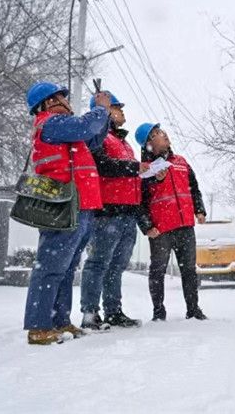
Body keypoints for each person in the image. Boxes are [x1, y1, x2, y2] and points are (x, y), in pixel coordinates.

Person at [23, 81, 110, 345]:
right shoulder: (49, 123)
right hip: (62, 206)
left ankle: (60, 320)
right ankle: (39, 326)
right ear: (49, 102)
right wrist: (101, 110)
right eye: (62, 97)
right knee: (50, 266)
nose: (67, 102)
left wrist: (101, 114)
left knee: (67, 267)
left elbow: (94, 136)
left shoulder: (64, 129)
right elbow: (85, 127)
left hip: (80, 206)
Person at [79, 92, 150, 330]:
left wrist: (143, 172)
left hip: (128, 212)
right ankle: (90, 313)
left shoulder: (123, 143)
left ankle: (113, 311)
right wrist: (134, 167)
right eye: (118, 108)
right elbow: (101, 164)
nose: (123, 113)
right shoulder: (100, 136)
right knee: (98, 262)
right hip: (108, 212)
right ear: (107, 110)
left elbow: (129, 174)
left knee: (117, 265)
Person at [135, 123, 208, 321]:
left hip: (185, 226)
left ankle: (193, 310)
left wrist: (199, 210)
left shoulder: (181, 162)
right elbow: (139, 201)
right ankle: (158, 312)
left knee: (189, 270)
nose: (164, 135)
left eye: (163, 131)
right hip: (161, 230)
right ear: (149, 144)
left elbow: (194, 188)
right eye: (158, 134)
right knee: (157, 271)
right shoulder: (145, 170)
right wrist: (147, 226)